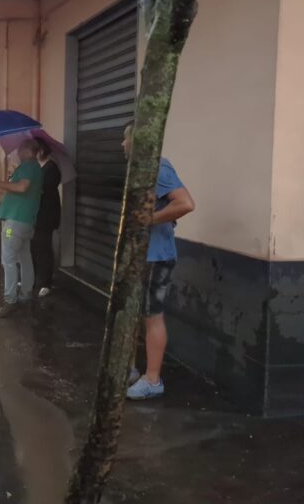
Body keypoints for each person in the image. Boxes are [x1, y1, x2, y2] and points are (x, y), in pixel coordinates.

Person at [120, 124, 196, 400]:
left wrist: (145, 221)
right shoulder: (142, 171)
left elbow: (186, 203)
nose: (122, 144)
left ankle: (152, 380)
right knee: (138, 313)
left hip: (156, 256)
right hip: (143, 255)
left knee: (152, 317)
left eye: (125, 138)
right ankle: (127, 369)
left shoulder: (158, 168)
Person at [0, 139, 43, 318]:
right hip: (23, 221)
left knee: (8, 260)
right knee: (24, 257)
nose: (18, 152)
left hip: (14, 222)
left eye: (20, 149)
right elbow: (10, 191)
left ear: (29, 151)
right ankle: (26, 293)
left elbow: (22, 187)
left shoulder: (30, 166)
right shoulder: (28, 168)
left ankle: (10, 300)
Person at [31, 139, 62, 298]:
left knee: (44, 247)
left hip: (47, 214)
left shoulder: (51, 168)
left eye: (35, 150)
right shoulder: (38, 167)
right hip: (37, 213)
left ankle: (46, 283)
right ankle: (35, 278)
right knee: (34, 246)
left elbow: (44, 189)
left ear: (42, 150)